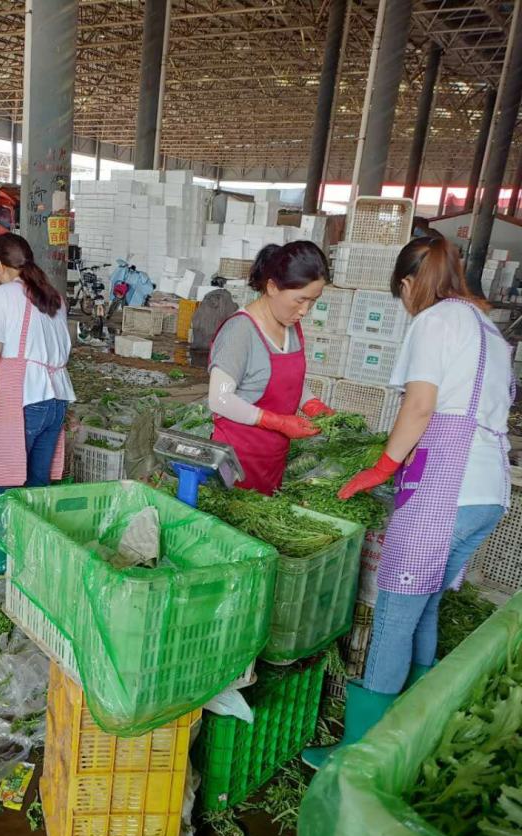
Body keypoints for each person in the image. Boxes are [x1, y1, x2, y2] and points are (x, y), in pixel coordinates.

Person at [304, 235, 514, 768]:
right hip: (487, 491)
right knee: (425, 609)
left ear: (406, 284)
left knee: (396, 614)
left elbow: (420, 408)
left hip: (447, 488)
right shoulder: (489, 330)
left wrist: (382, 466)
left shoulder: (436, 319)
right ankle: (411, 738)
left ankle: (359, 756)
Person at [0, 232, 75, 577]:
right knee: (38, 483)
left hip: (25, 397)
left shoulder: (2, 295)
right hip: (56, 398)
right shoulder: (51, 295)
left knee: (8, 482)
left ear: (0, 265)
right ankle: (34, 553)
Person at [207, 241, 335, 495]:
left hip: (273, 459)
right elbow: (219, 399)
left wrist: (311, 404)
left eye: (313, 301)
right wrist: (275, 421)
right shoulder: (240, 331)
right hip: (237, 460)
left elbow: (285, 380)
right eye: (300, 300)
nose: (304, 311)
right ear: (272, 287)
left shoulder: (290, 326)